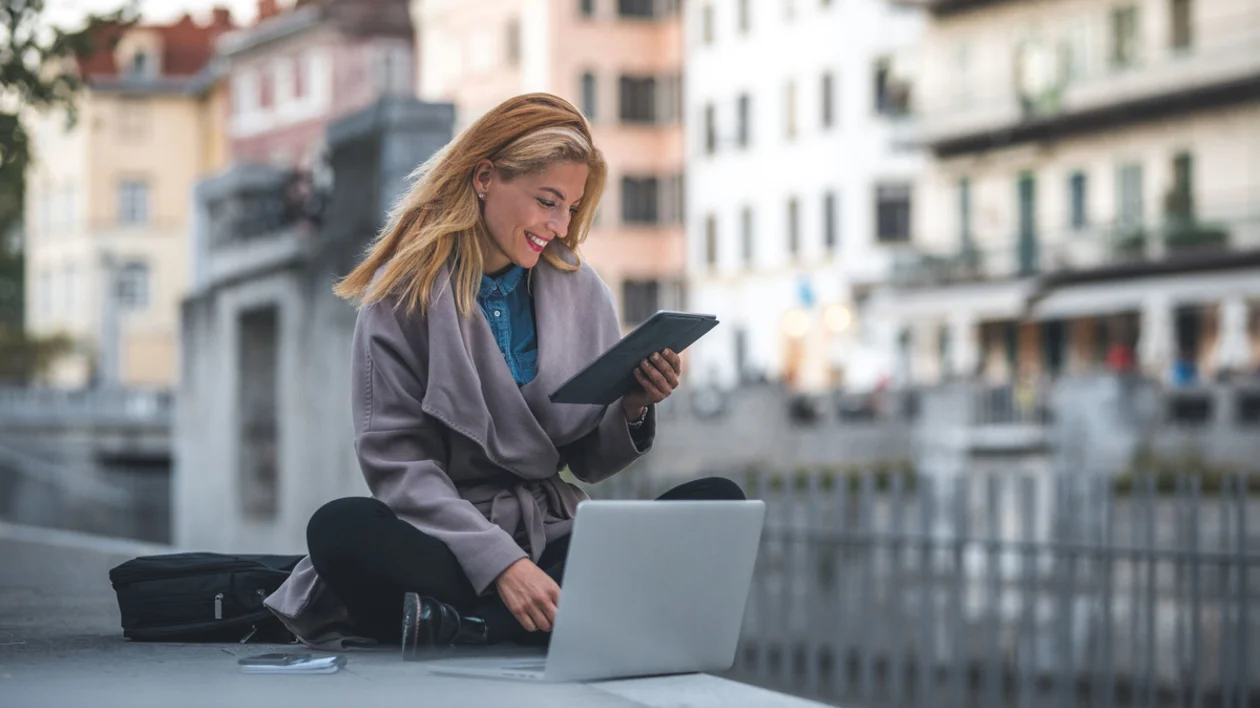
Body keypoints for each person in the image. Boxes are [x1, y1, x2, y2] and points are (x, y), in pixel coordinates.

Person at [262, 93, 745, 653]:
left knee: (719, 501)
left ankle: (469, 627)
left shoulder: (583, 290)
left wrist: (633, 404)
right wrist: (500, 564)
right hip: (446, 540)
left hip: (553, 533)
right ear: (485, 177)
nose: (559, 226)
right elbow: (398, 468)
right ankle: (547, 613)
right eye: (547, 201)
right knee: (341, 528)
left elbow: (587, 459)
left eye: (571, 206)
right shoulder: (401, 301)